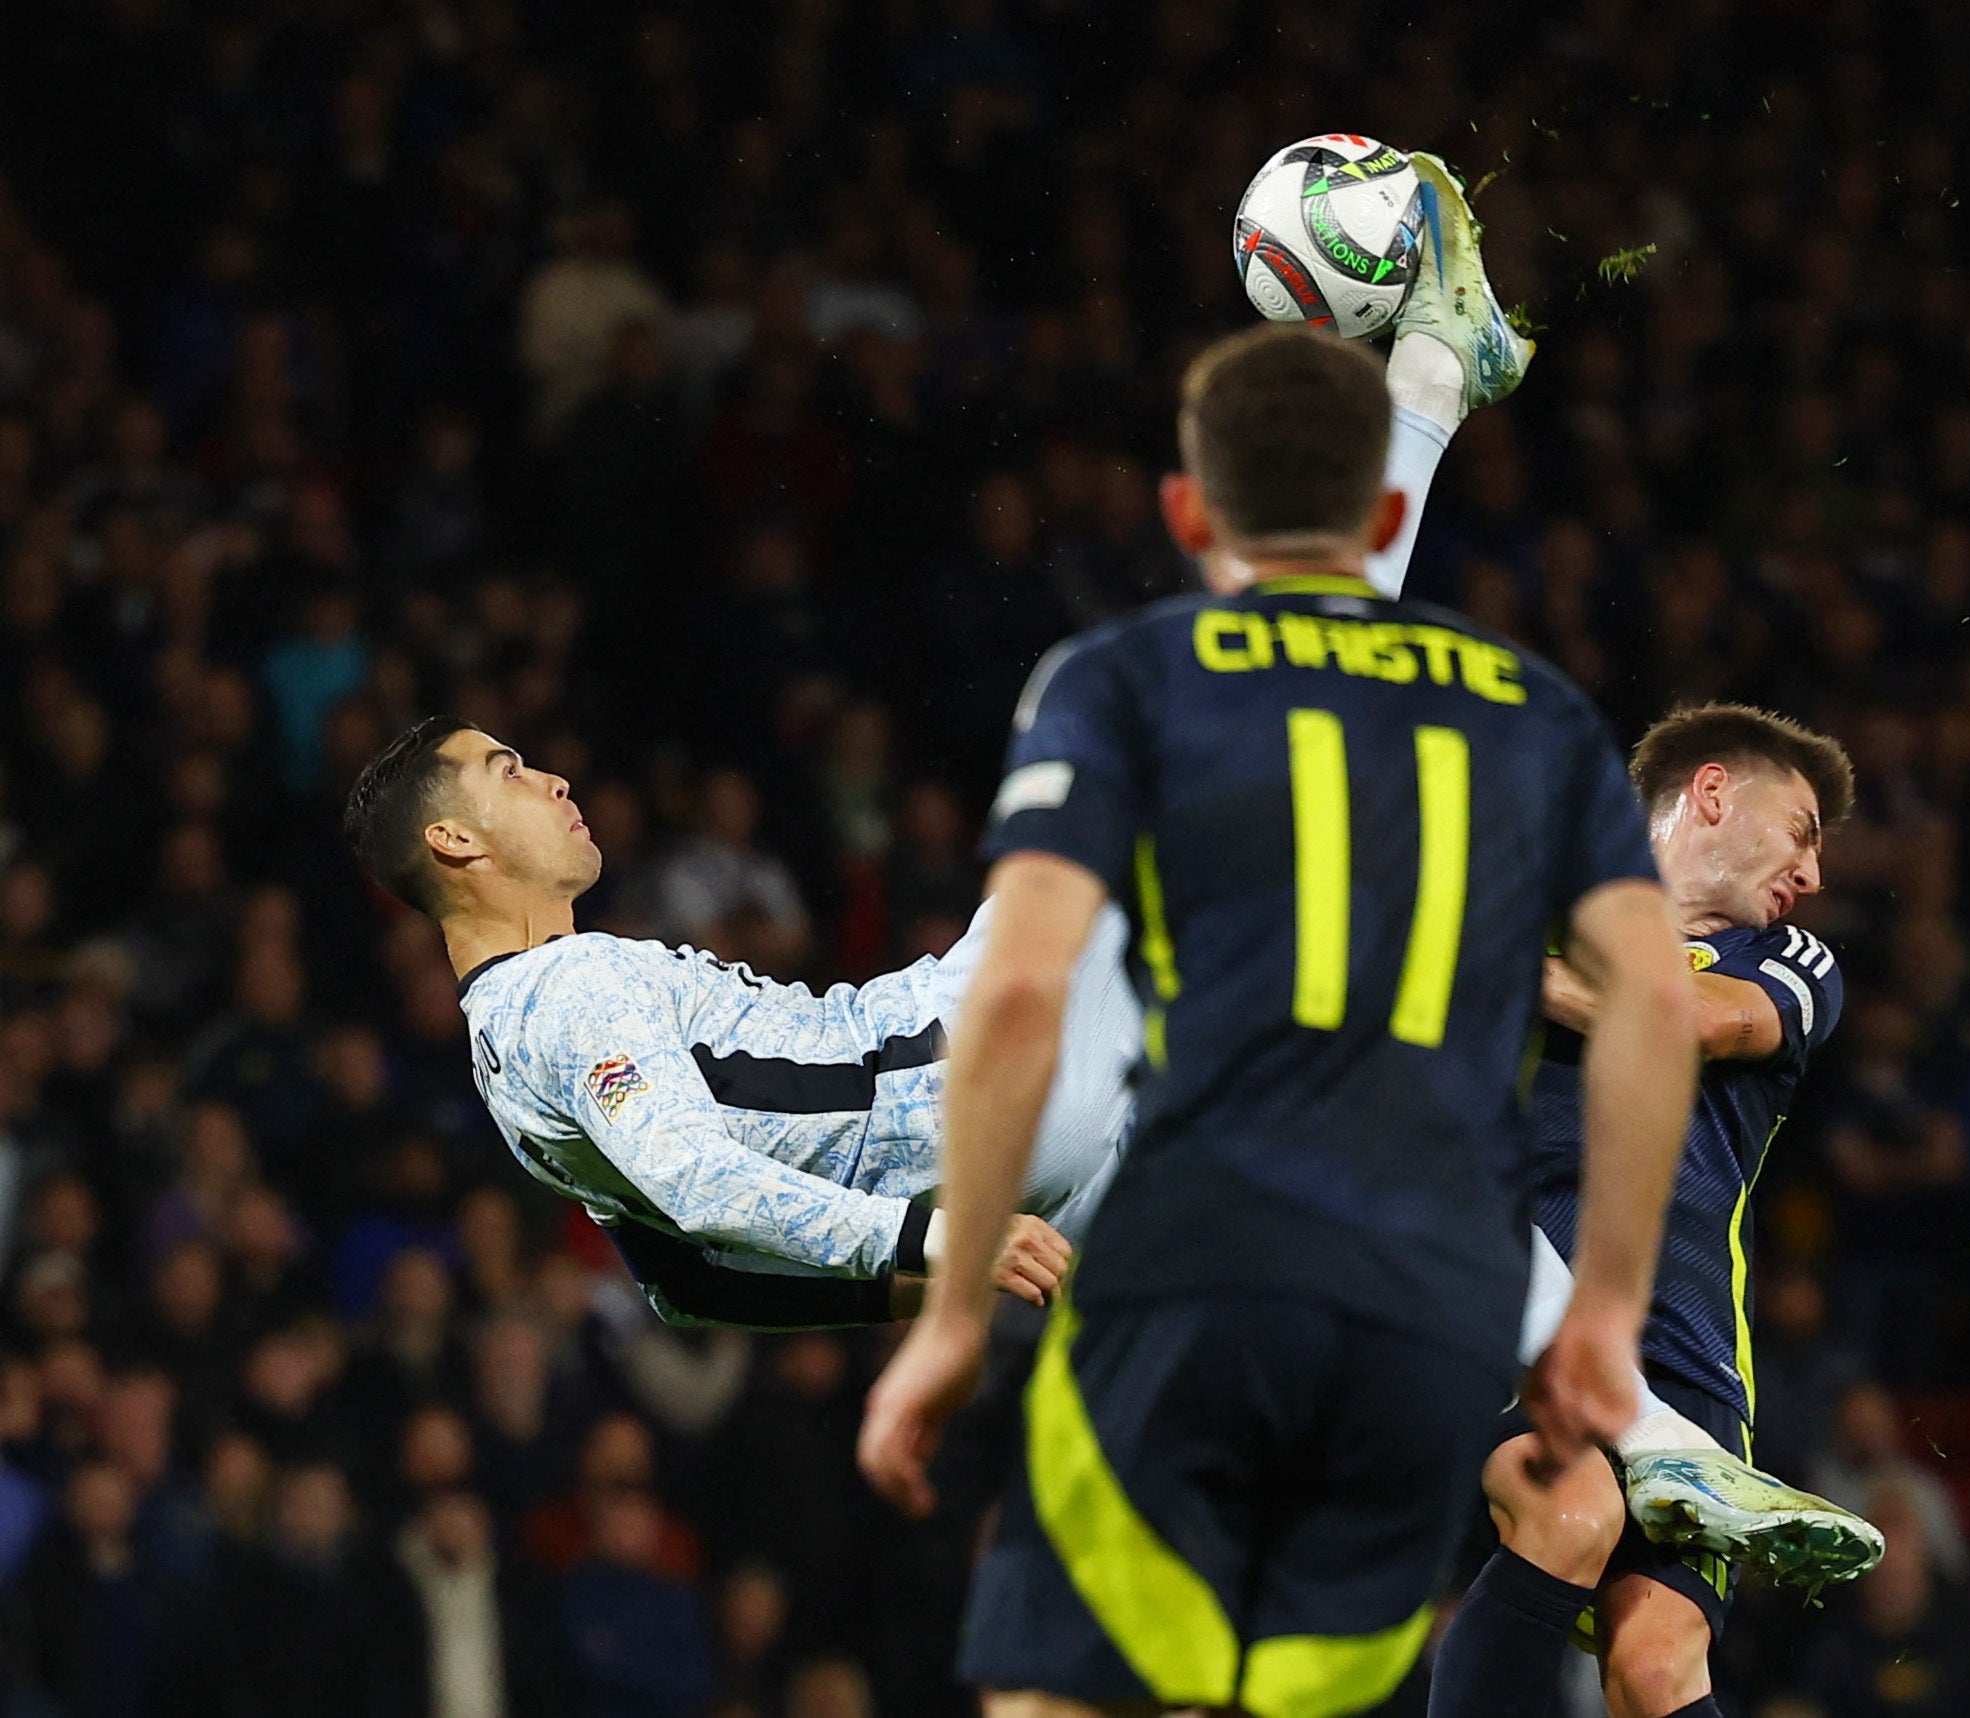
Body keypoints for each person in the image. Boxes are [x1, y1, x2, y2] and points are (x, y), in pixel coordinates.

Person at [852, 294, 1701, 1718]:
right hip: (1435, 1310)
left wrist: (946, 1322)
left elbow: (1015, 995)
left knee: (1065, 1682)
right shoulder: (1536, 706)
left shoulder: (1124, 678)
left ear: (1189, 512)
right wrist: (1604, 1314)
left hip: (1205, 1261)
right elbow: (1657, 1009)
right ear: (1384, 505)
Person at [341, 716, 1134, 1328]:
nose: (552, 781)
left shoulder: (504, 1066)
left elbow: (688, 1289)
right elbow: (697, 1179)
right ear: (452, 839)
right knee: (1157, 758)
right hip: (980, 1068)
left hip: (1025, 1181)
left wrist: (942, 1286)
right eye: (507, 773)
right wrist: (944, 1244)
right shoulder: (567, 988)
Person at [1430, 700, 1883, 1718]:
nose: (1813, 875)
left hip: (1686, 1349)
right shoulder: (1540, 902)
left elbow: (1691, 1022)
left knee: (1658, 1660)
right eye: (1804, 829)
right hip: (1518, 1301)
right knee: (1571, 1514)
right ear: (1714, 792)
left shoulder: (1792, 964)